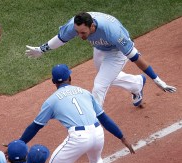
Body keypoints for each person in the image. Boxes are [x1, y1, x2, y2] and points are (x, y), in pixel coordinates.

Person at [25, 12, 176, 107]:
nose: (80, 36)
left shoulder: (112, 32)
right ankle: (136, 83)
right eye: (77, 32)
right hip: (100, 48)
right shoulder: (75, 25)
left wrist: (157, 80)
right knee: (105, 76)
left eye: (83, 32)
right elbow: (61, 39)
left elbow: (136, 58)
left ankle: (92, 125)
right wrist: (41, 49)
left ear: (92, 26)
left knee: (99, 85)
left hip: (117, 53)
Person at [18, 64, 135, 163]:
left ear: (53, 81)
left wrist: (19, 143)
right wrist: (122, 137)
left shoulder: (51, 101)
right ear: (69, 77)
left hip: (79, 138)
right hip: (98, 134)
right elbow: (103, 118)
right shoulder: (85, 92)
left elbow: (35, 126)